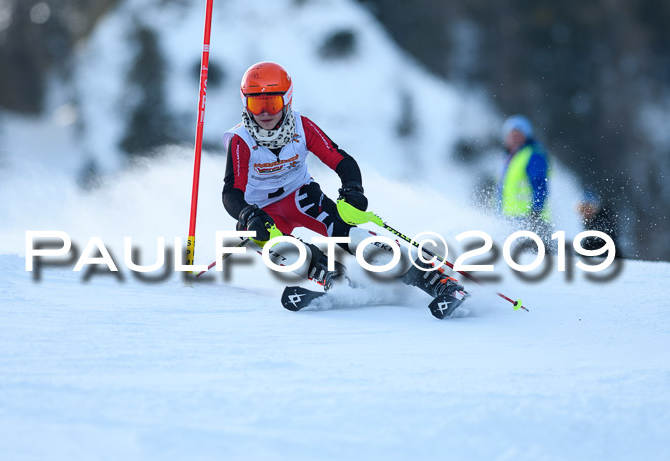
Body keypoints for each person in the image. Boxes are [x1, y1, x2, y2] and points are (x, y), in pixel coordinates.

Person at [222, 61, 463, 299]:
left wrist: (352, 191)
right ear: (245, 103)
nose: (264, 113)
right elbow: (231, 192)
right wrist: (248, 215)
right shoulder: (241, 139)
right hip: (264, 212)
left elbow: (341, 160)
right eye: (256, 104)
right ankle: (337, 280)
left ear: (287, 99)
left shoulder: (301, 127)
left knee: (352, 236)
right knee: (267, 245)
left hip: (301, 197)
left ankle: (436, 280)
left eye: (272, 103)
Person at [497, 114, 552, 246]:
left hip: (531, 220)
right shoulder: (510, 159)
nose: (514, 138)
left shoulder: (533, 155)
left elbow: (540, 184)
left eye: (518, 134)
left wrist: (536, 211)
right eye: (511, 134)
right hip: (512, 220)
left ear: (526, 136)